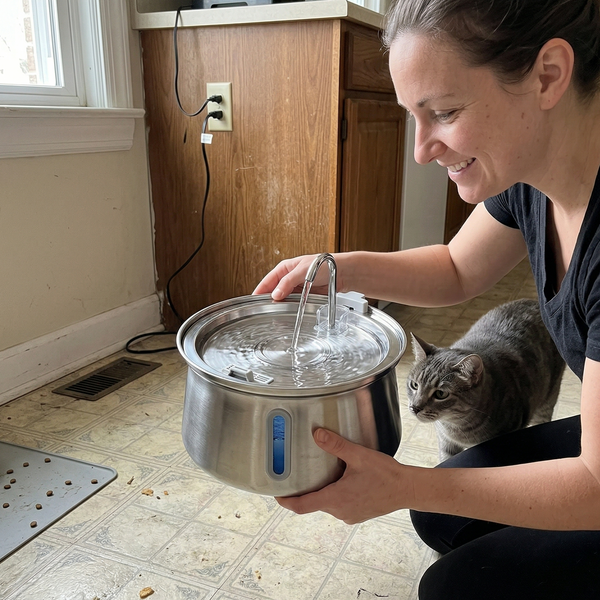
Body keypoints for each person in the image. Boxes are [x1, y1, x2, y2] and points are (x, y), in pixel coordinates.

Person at [253, 0, 600, 597]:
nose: (421, 149)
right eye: (415, 116)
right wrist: (335, 268)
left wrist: (401, 482)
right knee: (440, 511)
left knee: (453, 588)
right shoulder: (533, 181)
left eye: (443, 112)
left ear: (547, 75)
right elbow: (456, 268)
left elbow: (595, 485)